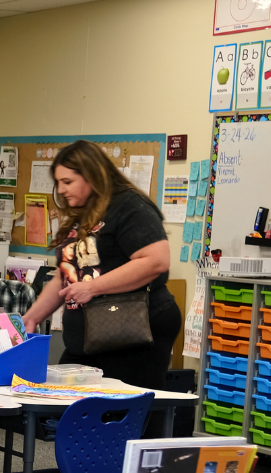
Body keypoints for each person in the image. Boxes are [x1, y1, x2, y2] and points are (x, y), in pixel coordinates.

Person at [21, 140, 179, 392]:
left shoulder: (129, 206)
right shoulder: (82, 211)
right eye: (59, 183)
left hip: (134, 331)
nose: (61, 190)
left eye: (68, 182)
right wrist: (32, 317)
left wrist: (93, 287)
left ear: (92, 176)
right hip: (89, 337)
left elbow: (155, 261)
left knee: (127, 411)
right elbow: (65, 277)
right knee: (64, 402)